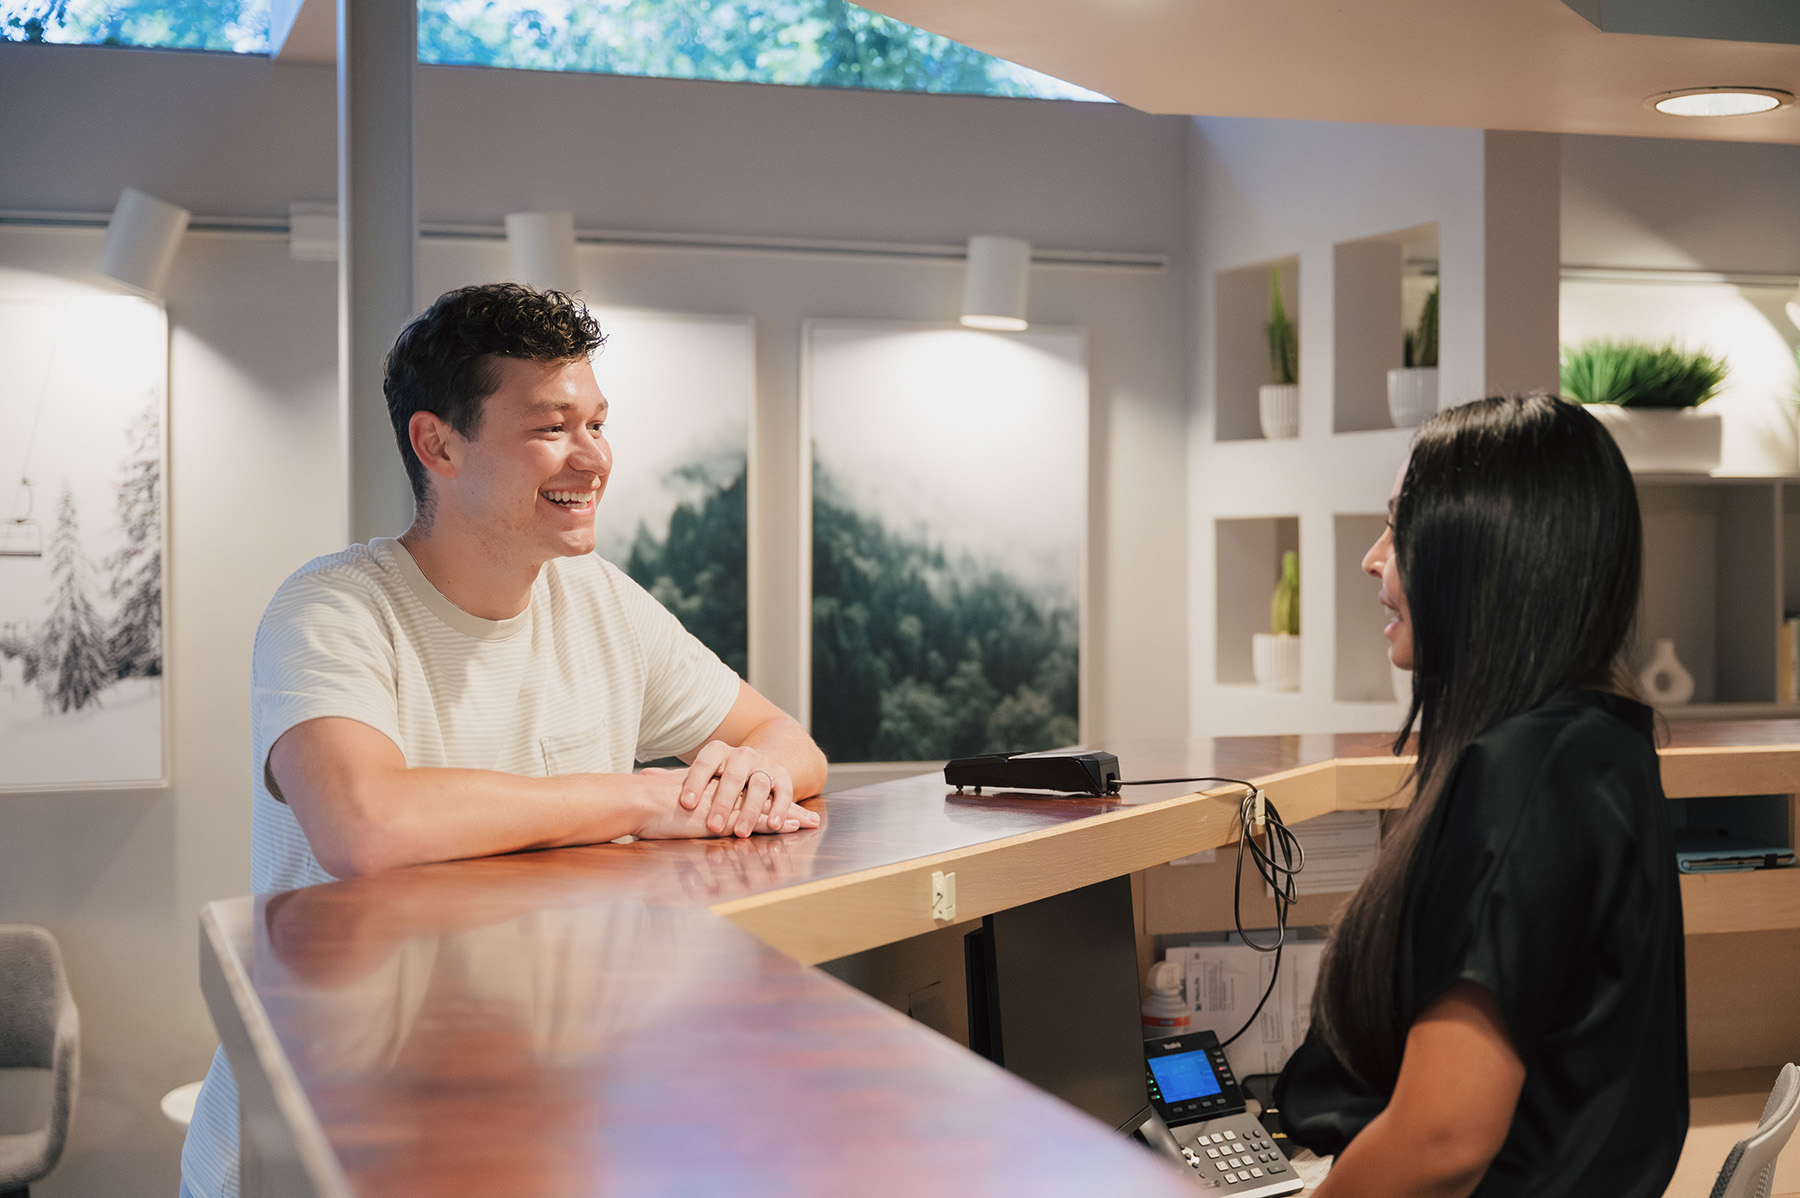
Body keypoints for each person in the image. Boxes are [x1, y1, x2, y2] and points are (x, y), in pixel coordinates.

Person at [180, 282, 826, 1198]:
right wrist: (650, 798)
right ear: (437, 443)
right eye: (551, 426)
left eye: (598, 422)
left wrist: (750, 773)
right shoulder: (332, 607)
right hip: (321, 1139)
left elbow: (787, 742)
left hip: (520, 1126)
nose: (592, 456)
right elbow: (364, 824)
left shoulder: (600, 598)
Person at [1273, 394, 1687, 1198]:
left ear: (1482, 550)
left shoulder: (1526, 772)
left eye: (1402, 527)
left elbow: (1443, 1138)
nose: (1374, 558)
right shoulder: (1599, 742)